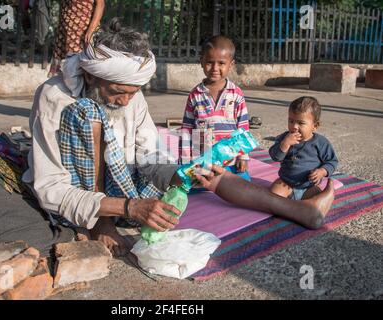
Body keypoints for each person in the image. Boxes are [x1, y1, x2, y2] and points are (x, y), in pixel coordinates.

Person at [23, 19, 335, 258]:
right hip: (82, 186)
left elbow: (147, 155)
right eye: (118, 93)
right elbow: (51, 188)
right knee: (89, 114)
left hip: (124, 179)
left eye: (133, 93)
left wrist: (180, 174)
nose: (126, 102)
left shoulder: (132, 97)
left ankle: (301, 211)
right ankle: (100, 222)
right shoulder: (54, 97)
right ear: (90, 75)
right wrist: (127, 209)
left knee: (202, 171)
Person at [180, 35, 250, 177]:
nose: (215, 68)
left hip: (230, 160)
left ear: (231, 64)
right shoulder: (195, 95)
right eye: (210, 62)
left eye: (221, 63)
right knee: (187, 187)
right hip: (203, 160)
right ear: (201, 62)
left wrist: (243, 157)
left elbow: (243, 126)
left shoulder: (236, 94)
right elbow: (187, 129)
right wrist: (186, 159)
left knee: (243, 188)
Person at [268, 97, 338, 201]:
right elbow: (275, 157)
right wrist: (284, 145)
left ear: (315, 126)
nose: (294, 126)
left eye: (301, 123)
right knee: (272, 194)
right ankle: (288, 207)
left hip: (308, 186)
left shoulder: (321, 143)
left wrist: (322, 171)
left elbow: (332, 161)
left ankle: (309, 206)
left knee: (318, 198)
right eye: (291, 121)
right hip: (285, 183)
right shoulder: (284, 138)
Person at [48, 0, 105, 77]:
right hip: (65, 29)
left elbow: (100, 4)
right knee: (64, 73)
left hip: (83, 31)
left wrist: (91, 29)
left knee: (80, 68)